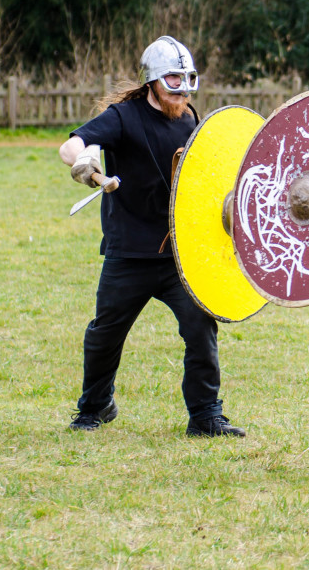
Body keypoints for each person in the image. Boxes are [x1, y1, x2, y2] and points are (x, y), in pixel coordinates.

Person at [59, 35, 246, 438]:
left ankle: (205, 415)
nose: (181, 91)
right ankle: (95, 407)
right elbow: (70, 145)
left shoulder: (191, 119)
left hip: (179, 253)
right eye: (173, 81)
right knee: (105, 333)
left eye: (187, 80)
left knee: (200, 327)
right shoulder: (123, 117)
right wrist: (87, 160)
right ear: (153, 83)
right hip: (129, 251)